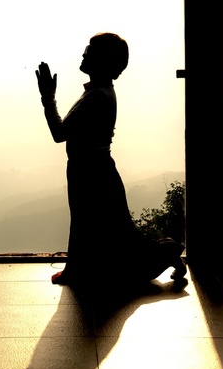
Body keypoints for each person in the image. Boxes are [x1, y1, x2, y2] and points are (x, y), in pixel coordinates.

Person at [37, 32, 185, 287]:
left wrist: (48, 98)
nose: (84, 54)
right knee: (113, 231)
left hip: (91, 171)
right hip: (95, 169)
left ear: (102, 60)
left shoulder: (96, 96)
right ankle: (166, 254)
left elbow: (59, 134)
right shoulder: (99, 92)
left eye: (90, 50)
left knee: (95, 225)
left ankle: (167, 253)